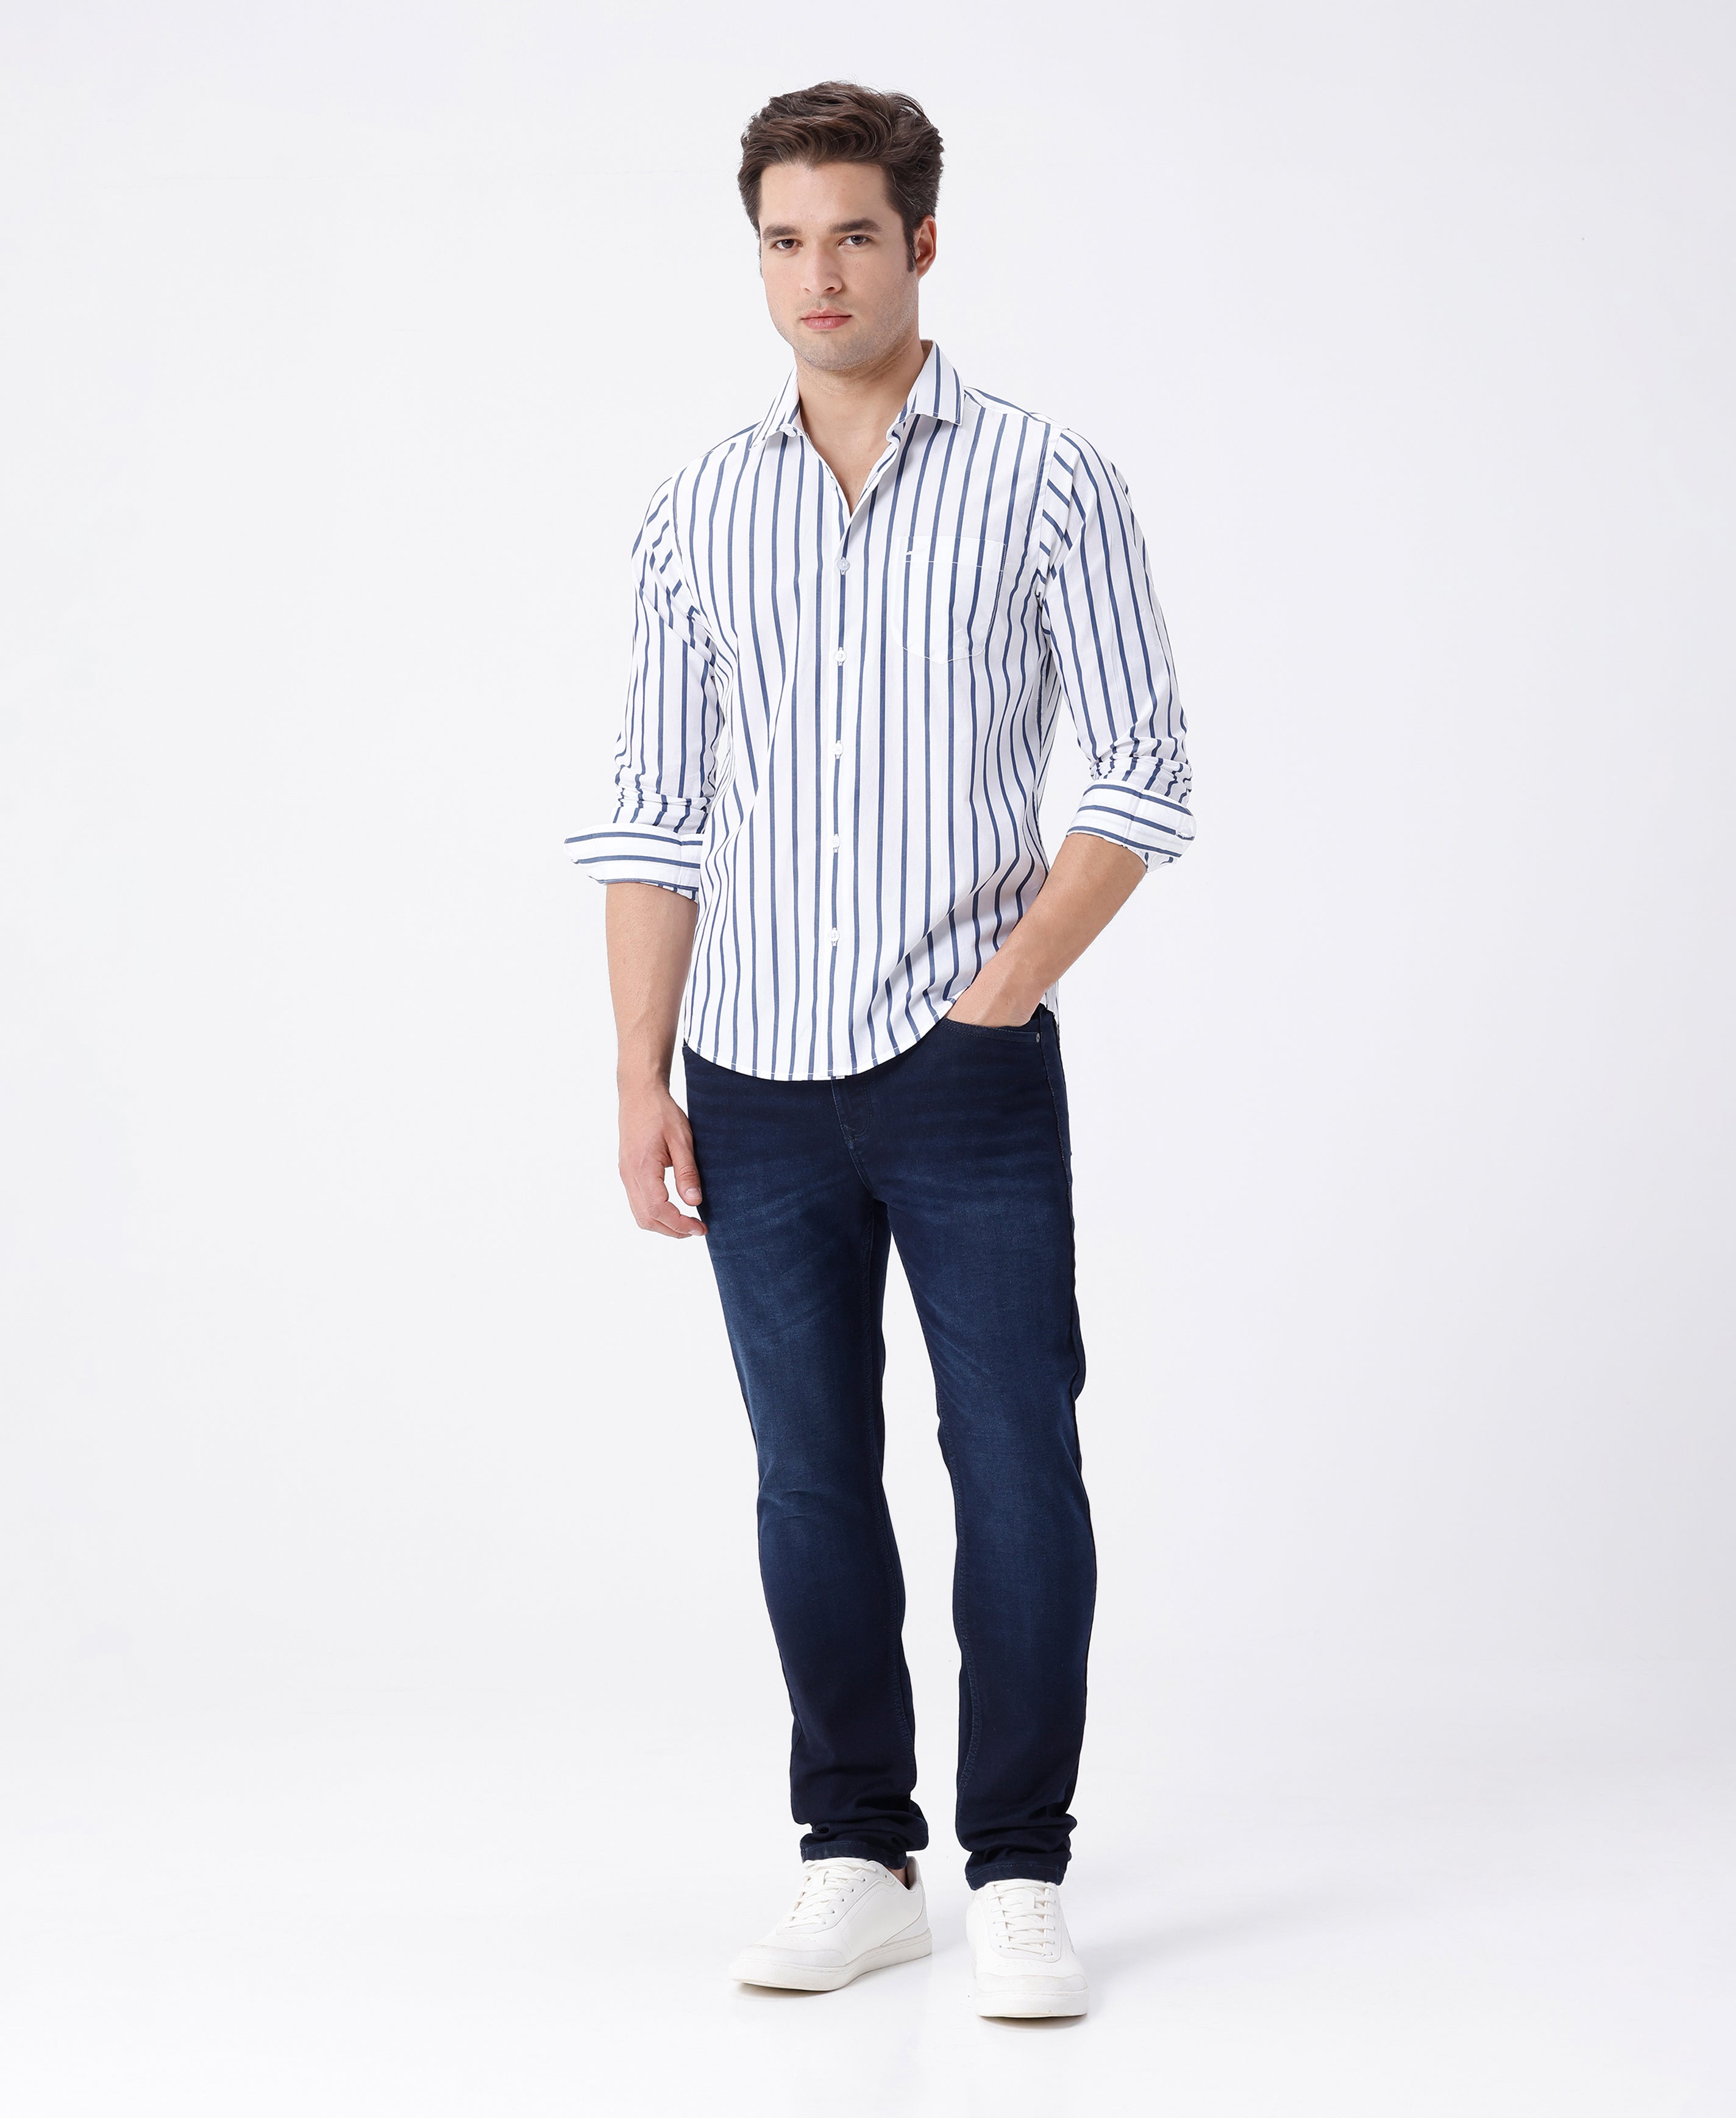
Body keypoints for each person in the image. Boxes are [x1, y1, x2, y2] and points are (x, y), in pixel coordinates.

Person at [567, 80, 1194, 2019]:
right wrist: (641, 1072)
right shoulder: (699, 509)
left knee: (1017, 1465)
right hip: (752, 1079)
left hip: (963, 1072)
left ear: (923, 242)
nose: (817, 273)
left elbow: (1143, 775)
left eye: (852, 234)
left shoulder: (1048, 481)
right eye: (784, 240)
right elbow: (656, 809)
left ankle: (1020, 1866)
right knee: (810, 1475)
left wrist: (998, 992)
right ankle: (857, 1850)